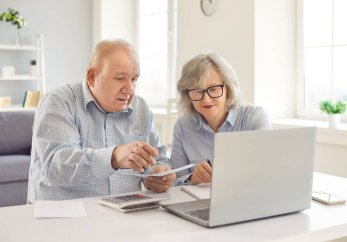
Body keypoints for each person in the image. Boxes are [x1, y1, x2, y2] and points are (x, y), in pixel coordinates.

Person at [28, 39, 175, 202]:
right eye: (120, 78)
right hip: (65, 216)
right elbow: (57, 167)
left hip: (123, 216)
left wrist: (157, 174)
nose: (130, 89)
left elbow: (160, 158)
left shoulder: (141, 107)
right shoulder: (58, 101)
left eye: (134, 79)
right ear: (92, 77)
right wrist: (114, 157)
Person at [171, 53, 271, 185]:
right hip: (199, 203)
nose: (206, 99)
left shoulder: (254, 117)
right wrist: (192, 178)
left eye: (213, 89)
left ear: (228, 88)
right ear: (187, 94)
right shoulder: (183, 126)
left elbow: (268, 165)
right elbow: (175, 180)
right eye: (197, 91)